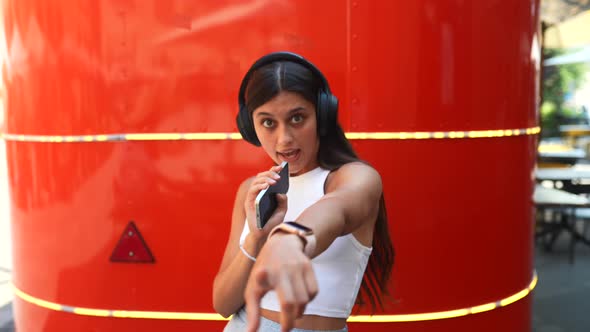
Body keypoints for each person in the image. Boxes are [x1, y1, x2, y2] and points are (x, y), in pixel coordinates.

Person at [213, 51, 394, 332]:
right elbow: (223, 304)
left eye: (297, 118)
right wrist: (256, 240)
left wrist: (290, 240)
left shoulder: (356, 178)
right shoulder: (251, 190)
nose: (284, 138)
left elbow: (336, 209)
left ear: (322, 116)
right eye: (268, 122)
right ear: (251, 127)